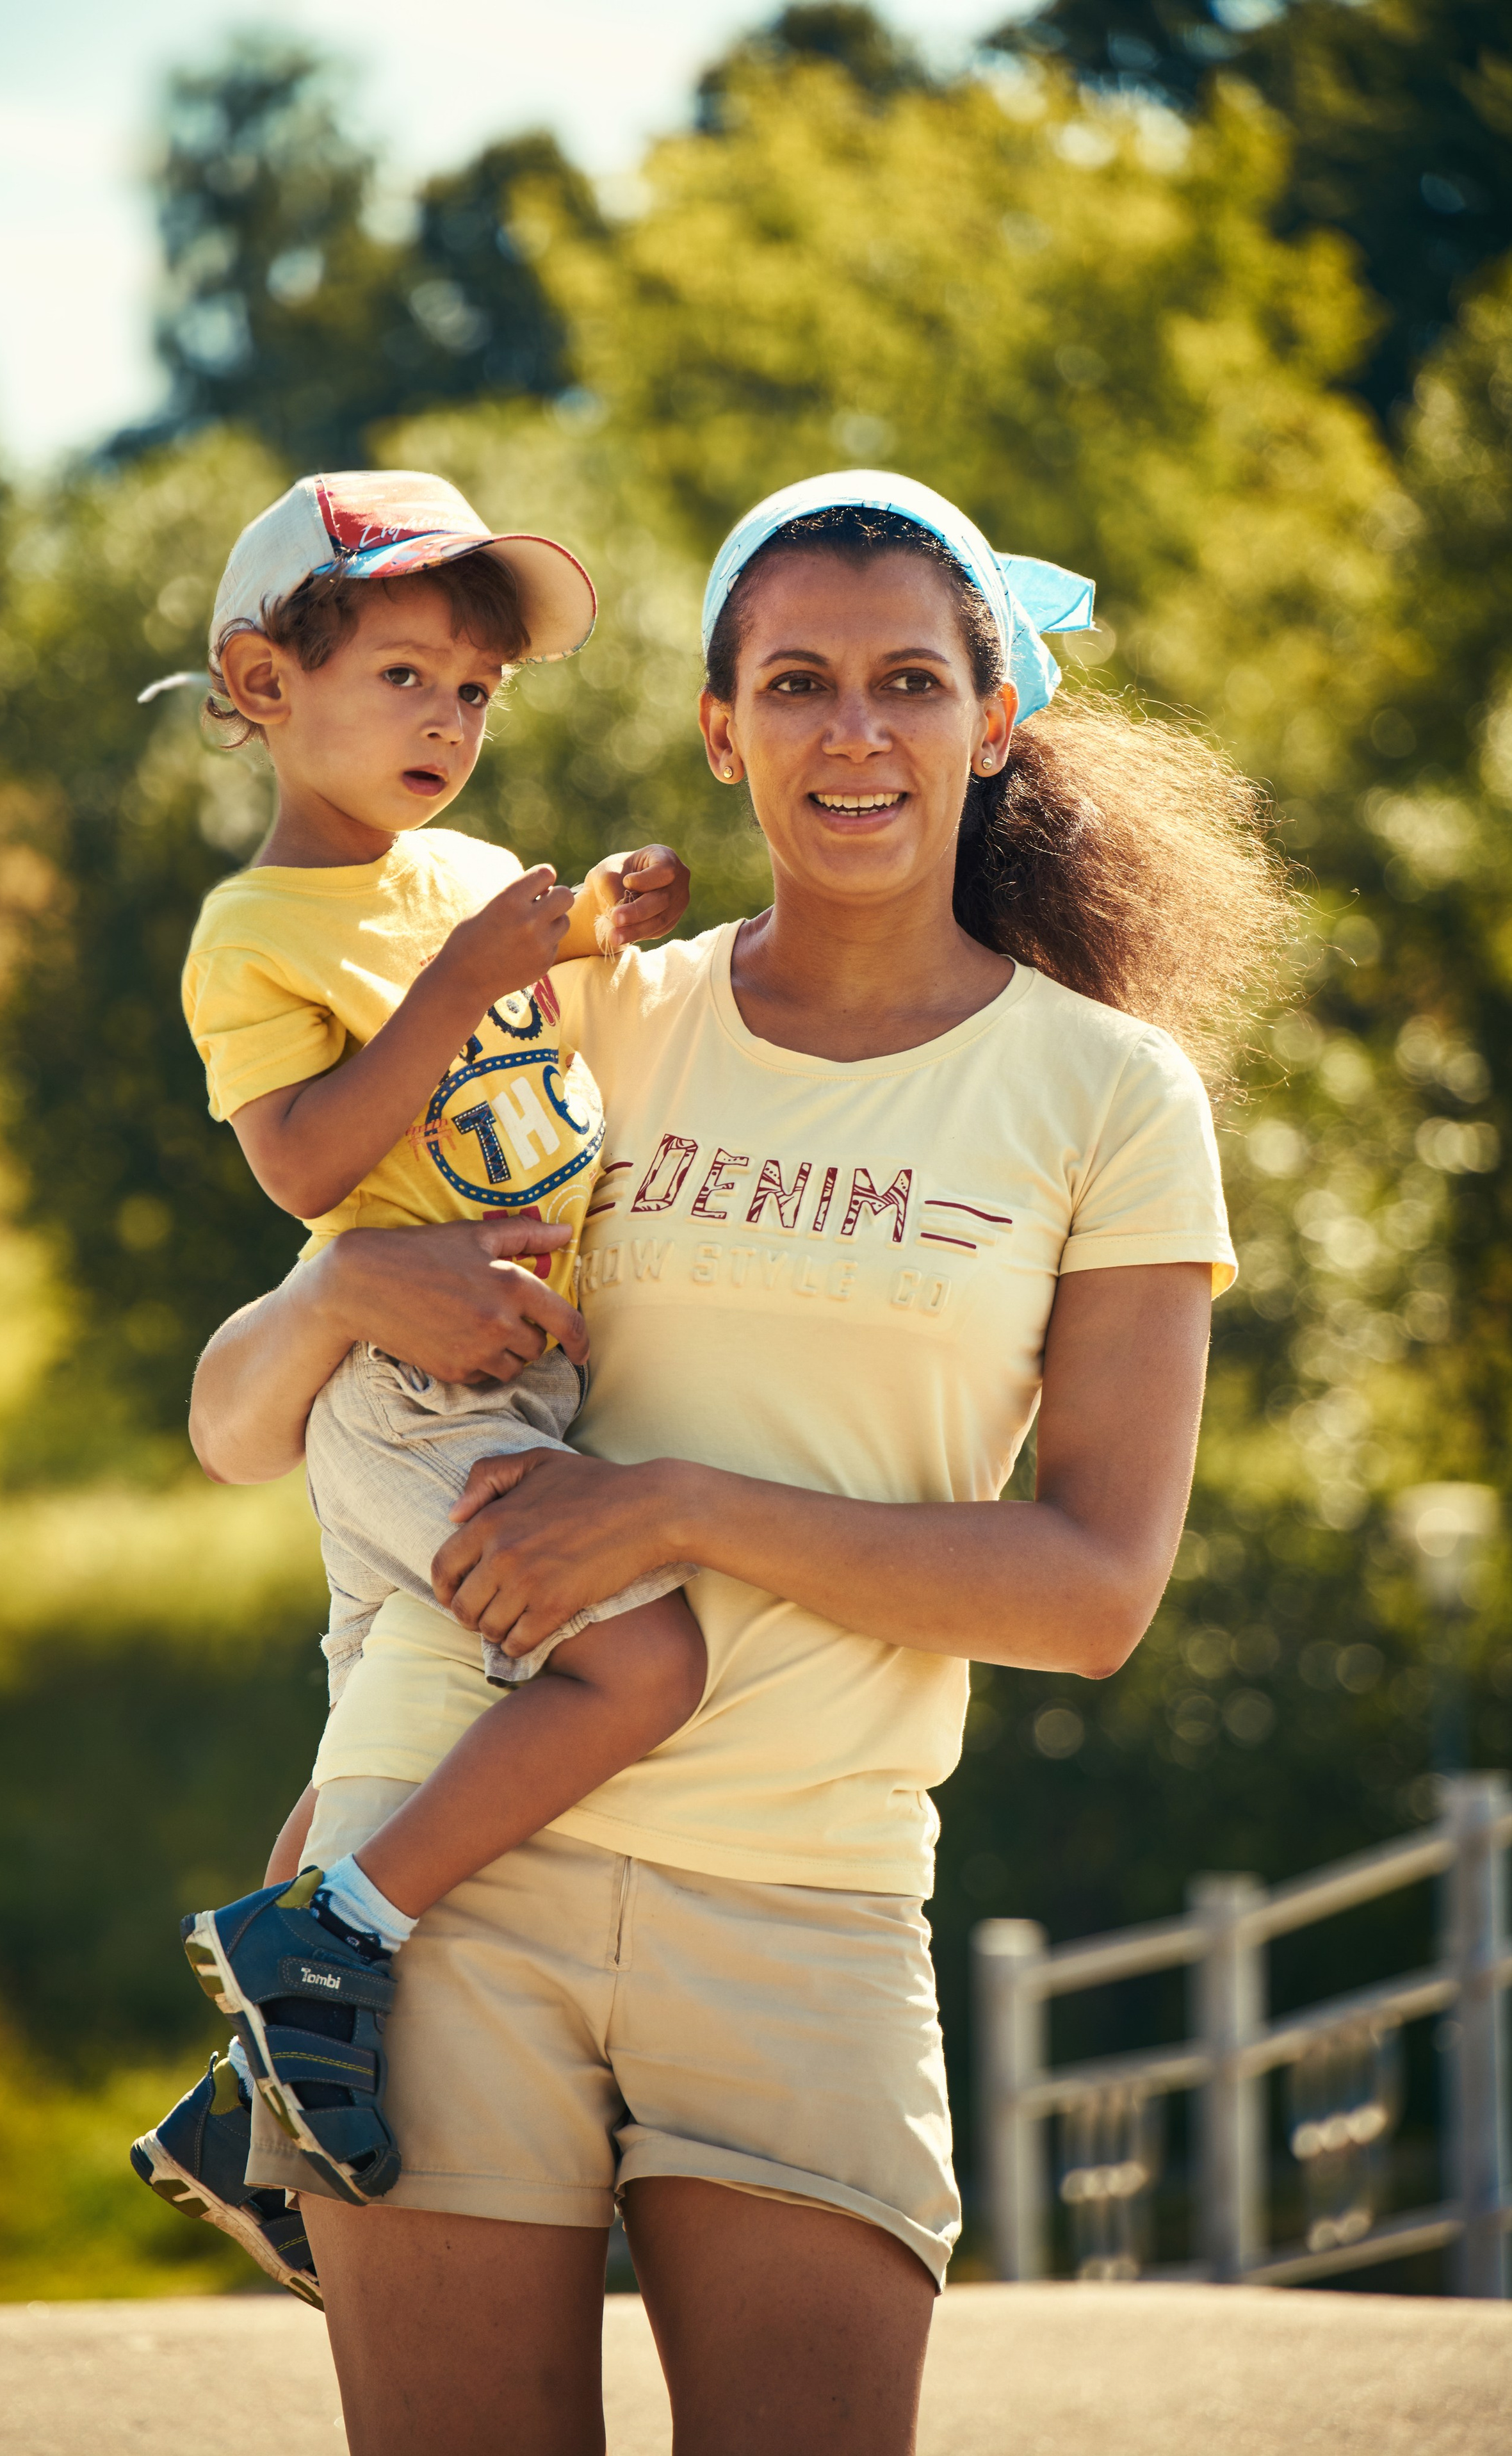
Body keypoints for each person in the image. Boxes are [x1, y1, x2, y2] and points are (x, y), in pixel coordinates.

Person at [181, 470, 1289, 2456]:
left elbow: (1097, 1589)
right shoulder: (591, 1015)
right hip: (445, 1889)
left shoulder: (1109, 1096)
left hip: (808, 1900)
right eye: (794, 682)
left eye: (904, 683)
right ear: (722, 727)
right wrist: (350, 1284)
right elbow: (236, 1422)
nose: (850, 732)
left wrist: (679, 1511)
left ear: (992, 718)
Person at [131, 470, 704, 2292]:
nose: (448, 721)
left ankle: (237, 2105)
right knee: (643, 1655)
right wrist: (463, 978)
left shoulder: (468, 877)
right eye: (403, 675)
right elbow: (306, 1169)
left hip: (508, 1381)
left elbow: (543, 1023)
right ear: (262, 679)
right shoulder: (257, 931)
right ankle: (342, 1930)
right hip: (413, 1391)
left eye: (475, 691)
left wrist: (600, 923)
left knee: (374, 1743)